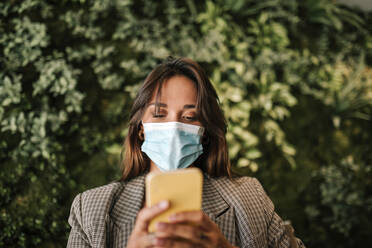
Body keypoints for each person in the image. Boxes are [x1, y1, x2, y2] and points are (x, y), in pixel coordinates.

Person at [67, 57, 305, 248]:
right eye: (159, 114)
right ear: (140, 129)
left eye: (189, 117)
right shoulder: (91, 209)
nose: (173, 127)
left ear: (204, 131)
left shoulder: (248, 198)